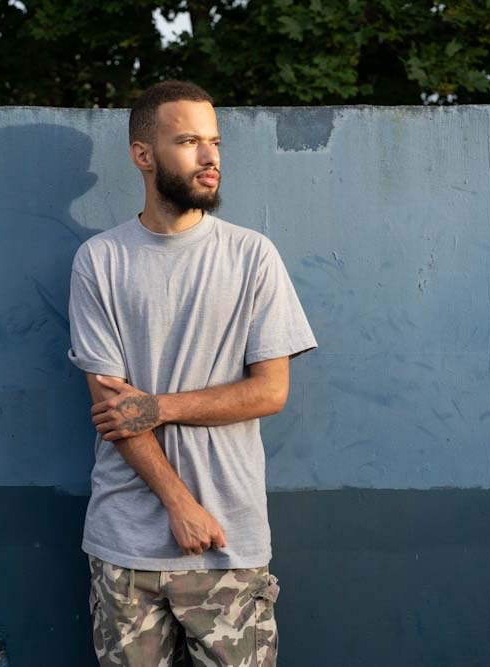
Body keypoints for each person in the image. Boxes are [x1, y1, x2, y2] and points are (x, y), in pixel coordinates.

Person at [67, 80, 317, 666]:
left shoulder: (252, 255)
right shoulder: (101, 260)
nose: (210, 159)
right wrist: (179, 503)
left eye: (215, 143)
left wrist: (159, 406)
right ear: (143, 155)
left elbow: (270, 391)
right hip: (125, 548)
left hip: (228, 544)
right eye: (187, 141)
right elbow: (111, 408)